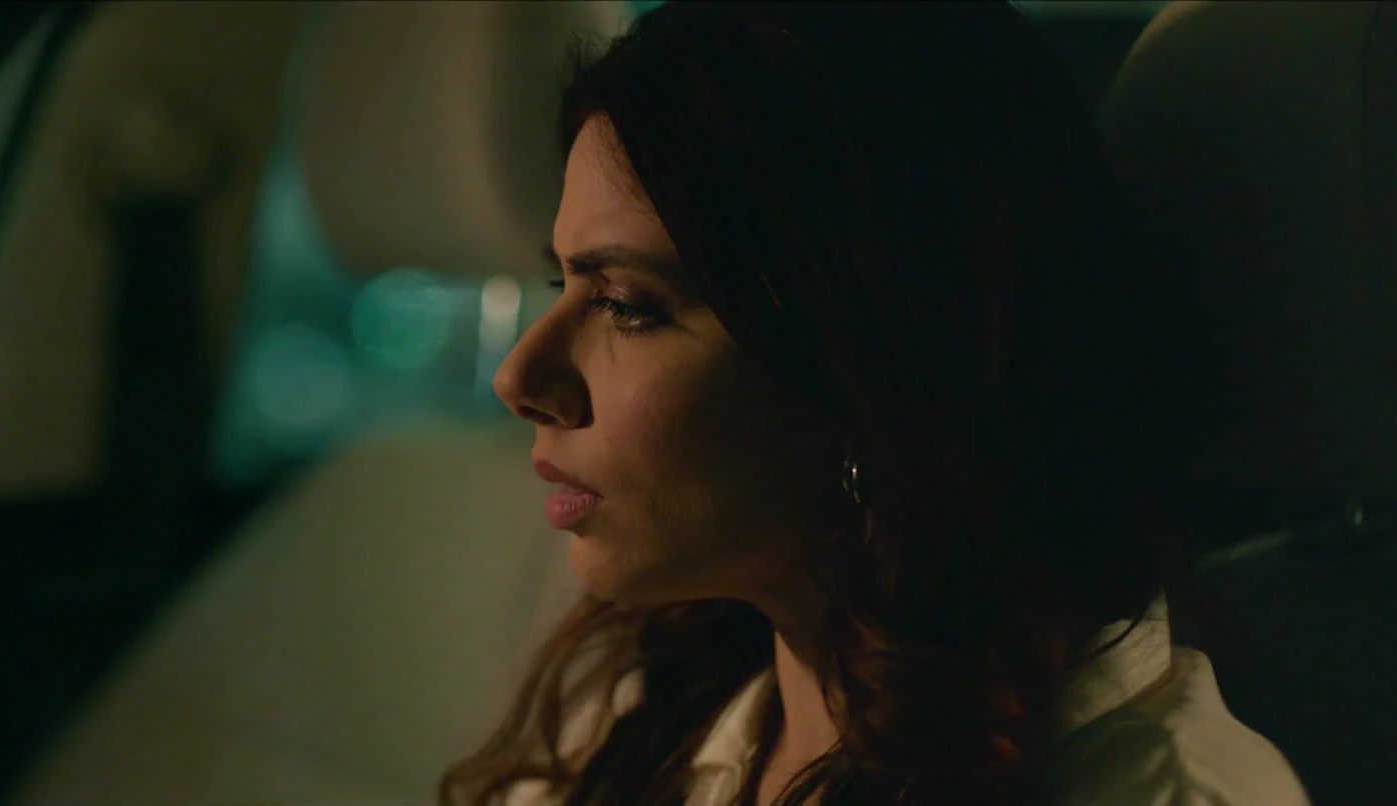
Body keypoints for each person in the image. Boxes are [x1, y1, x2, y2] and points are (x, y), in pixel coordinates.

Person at [441, 3, 1309, 805]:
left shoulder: (1156, 791)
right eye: (559, 284)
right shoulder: (653, 717)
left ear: (870, 366)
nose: (518, 378)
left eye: (626, 304)